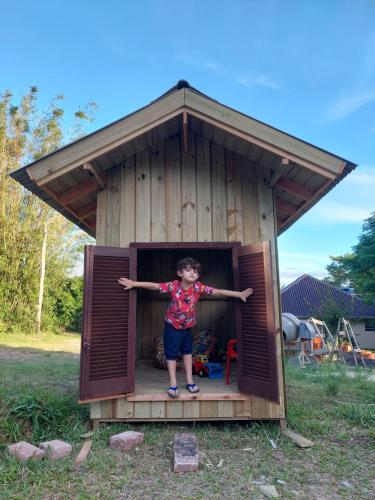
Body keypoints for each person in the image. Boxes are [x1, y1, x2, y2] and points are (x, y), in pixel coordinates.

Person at [118, 257, 253, 398]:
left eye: (195, 271)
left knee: (188, 353)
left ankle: (190, 381)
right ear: (180, 273)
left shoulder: (198, 287)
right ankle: (173, 383)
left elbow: (218, 292)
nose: (192, 273)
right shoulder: (173, 286)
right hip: (172, 325)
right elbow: (155, 286)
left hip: (188, 326)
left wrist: (239, 294)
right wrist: (134, 283)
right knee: (171, 354)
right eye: (188, 270)